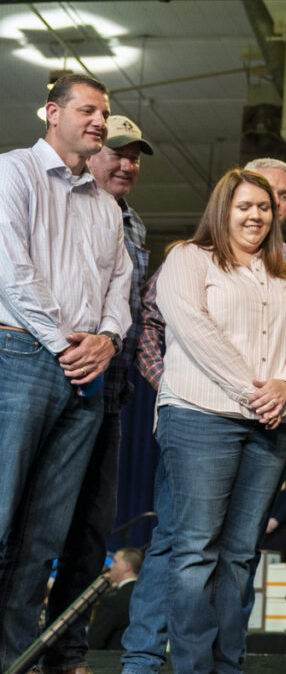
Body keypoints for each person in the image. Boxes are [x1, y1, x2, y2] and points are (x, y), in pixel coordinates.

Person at [121, 157, 286, 674]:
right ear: (225, 204)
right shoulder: (189, 257)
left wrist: (283, 388)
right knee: (187, 547)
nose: (258, 211)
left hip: (268, 423)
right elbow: (174, 328)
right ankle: (156, 660)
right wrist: (195, 392)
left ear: (282, 206)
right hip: (199, 418)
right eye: (247, 201)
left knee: (239, 554)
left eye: (271, 201)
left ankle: (228, 664)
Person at [0, 73, 132, 671]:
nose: (100, 121)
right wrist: (65, 345)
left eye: (104, 112)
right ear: (51, 113)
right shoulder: (13, 173)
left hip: (86, 374)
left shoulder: (106, 207)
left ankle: (15, 660)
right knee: (1, 520)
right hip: (21, 357)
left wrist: (106, 341)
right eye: (88, 110)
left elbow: (120, 288)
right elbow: (11, 271)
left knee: (42, 540)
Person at [39, 114, 153, 674]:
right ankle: (19, 648)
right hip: (54, 382)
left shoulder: (135, 227)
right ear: (90, 154)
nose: (126, 163)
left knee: (90, 535)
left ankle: (68, 653)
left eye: (135, 157)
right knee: (35, 525)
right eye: (117, 152)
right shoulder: (59, 206)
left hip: (111, 397)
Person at [87, 548, 143, 651]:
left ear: (127, 567)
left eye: (115, 562)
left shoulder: (112, 601)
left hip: (115, 662)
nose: (111, 566)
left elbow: (94, 642)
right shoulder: (149, 596)